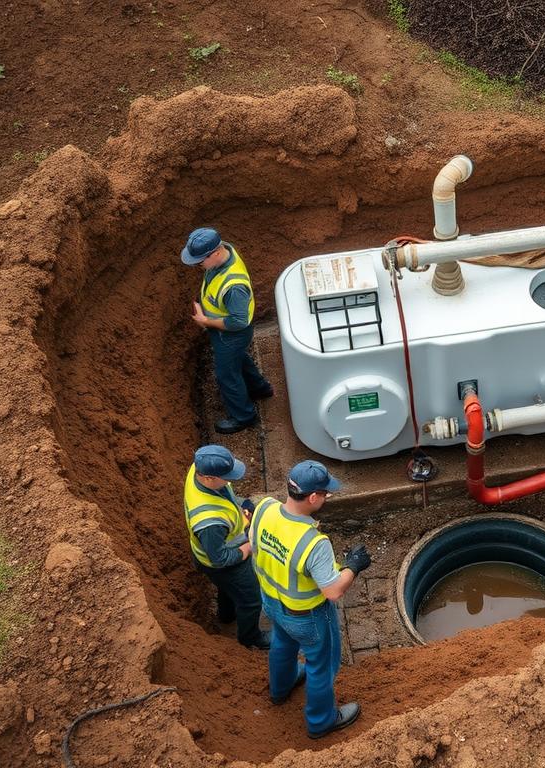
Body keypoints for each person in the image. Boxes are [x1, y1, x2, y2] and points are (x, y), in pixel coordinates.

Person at [249, 460, 372, 738]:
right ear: (313, 497)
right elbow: (332, 591)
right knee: (321, 666)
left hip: (272, 601)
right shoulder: (314, 543)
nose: (327, 497)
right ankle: (320, 722)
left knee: (282, 643)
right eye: (325, 494)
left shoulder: (264, 508)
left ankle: (280, 690)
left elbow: (256, 547)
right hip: (307, 616)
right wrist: (353, 565)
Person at [181, 227, 273, 434]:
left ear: (215, 253)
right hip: (230, 336)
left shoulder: (234, 287)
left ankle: (244, 416)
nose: (198, 266)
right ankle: (260, 389)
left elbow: (238, 322)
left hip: (231, 335)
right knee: (238, 359)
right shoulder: (225, 252)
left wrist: (206, 321)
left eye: (199, 261)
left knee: (227, 375)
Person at [184, 444, 270, 650]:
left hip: (213, 554)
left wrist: (242, 505)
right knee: (251, 599)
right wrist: (249, 547)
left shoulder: (196, 469)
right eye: (227, 476)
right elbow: (220, 559)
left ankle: (226, 615)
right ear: (208, 478)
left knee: (227, 589)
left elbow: (223, 496)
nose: (231, 480)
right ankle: (250, 638)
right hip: (224, 563)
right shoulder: (210, 522)